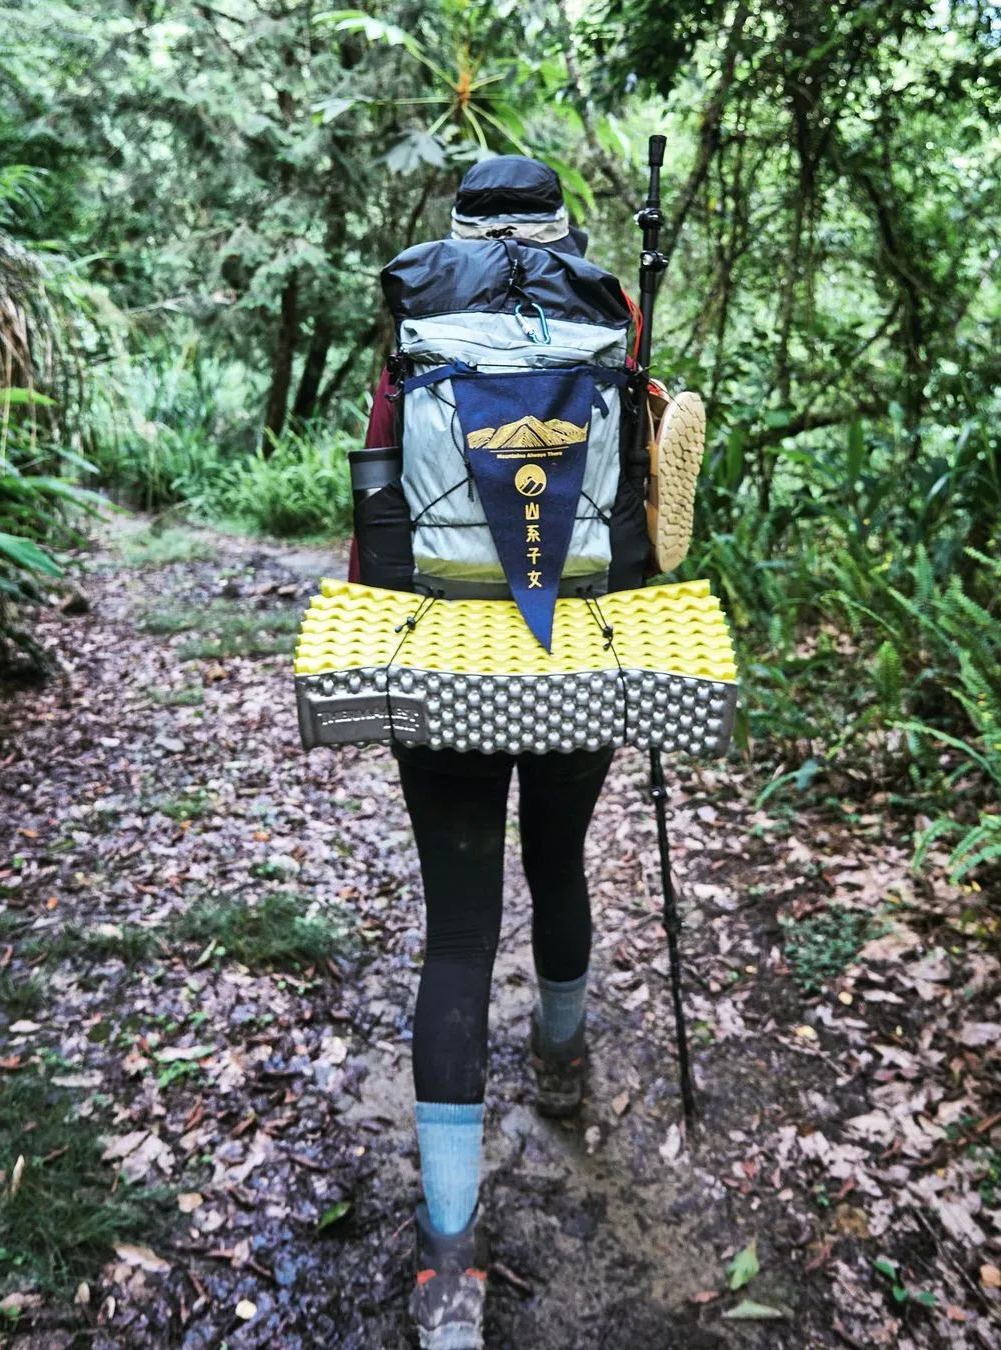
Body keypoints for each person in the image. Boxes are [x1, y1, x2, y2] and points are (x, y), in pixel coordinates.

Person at [354, 155, 700, 1350]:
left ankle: (449, 1260)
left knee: (458, 929)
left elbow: (376, 503)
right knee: (558, 861)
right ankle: (561, 1058)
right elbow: (647, 516)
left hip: (442, 646)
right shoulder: (611, 315)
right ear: (559, 227)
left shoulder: (416, 314)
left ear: (459, 227)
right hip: (581, 641)